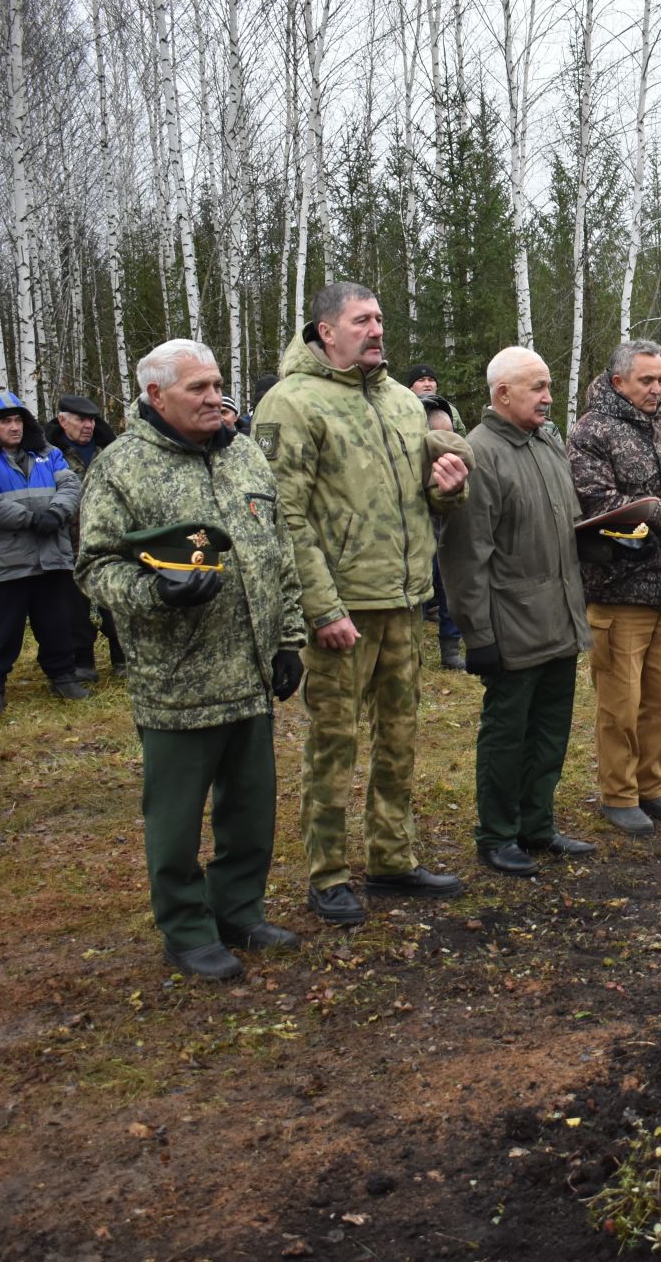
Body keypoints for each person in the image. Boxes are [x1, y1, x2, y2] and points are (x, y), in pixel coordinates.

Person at [77, 338, 306, 980]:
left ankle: (238, 909)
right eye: (197, 390)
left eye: (216, 386)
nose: (215, 399)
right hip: (177, 679)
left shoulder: (246, 457)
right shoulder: (122, 467)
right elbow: (95, 567)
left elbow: (278, 551)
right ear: (156, 396)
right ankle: (184, 927)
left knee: (251, 810)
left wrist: (288, 638)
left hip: (252, 673)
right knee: (176, 819)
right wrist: (155, 593)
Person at [254, 281, 472, 924]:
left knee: (400, 737)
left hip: (403, 599)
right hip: (342, 609)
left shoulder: (405, 403)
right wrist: (322, 609)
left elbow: (422, 501)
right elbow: (283, 518)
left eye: (379, 319)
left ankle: (391, 859)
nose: (376, 330)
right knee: (333, 741)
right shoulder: (291, 403)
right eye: (361, 321)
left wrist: (447, 490)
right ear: (326, 331)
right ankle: (327, 874)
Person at [436, 347, 598, 875]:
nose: (549, 398)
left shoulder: (547, 444)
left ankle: (537, 824)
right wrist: (477, 636)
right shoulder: (479, 454)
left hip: (561, 620)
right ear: (502, 394)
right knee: (508, 735)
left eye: (549, 386)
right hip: (512, 629)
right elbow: (464, 556)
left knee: (551, 732)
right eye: (538, 388)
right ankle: (496, 834)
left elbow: (562, 526)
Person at [567, 338, 661, 838]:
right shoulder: (590, 432)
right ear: (619, 381)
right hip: (618, 590)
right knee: (619, 704)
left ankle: (652, 785)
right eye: (646, 380)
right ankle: (619, 793)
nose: (655, 389)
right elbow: (600, 503)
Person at [0, 391, 90, 716]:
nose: (13, 427)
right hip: (4, 562)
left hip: (51, 558)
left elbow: (71, 487)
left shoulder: (50, 454)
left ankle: (63, 676)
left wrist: (57, 514)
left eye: (17, 420)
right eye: (5, 421)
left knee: (57, 624)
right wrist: (31, 519)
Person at [45, 395, 124, 682]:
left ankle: (121, 656)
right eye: (80, 419)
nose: (88, 425)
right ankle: (83, 660)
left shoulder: (111, 449)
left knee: (114, 598)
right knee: (73, 606)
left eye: (91, 419)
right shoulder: (48, 454)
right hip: (68, 540)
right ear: (63, 420)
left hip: (111, 538)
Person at [421, 395, 468, 671]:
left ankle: (450, 649)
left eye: (448, 435)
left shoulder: (459, 455)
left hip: (447, 527)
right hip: (421, 531)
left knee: (449, 589)